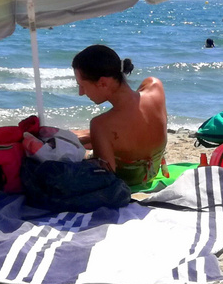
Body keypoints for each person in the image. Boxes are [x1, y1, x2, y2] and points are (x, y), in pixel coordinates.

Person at [71, 44, 167, 192]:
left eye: (82, 85)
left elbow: (107, 179)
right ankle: (83, 137)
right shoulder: (155, 86)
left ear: (103, 83)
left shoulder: (100, 125)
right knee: (95, 137)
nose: (81, 93)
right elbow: (133, 119)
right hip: (153, 174)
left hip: (130, 184)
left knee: (77, 150)